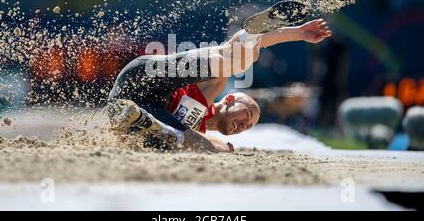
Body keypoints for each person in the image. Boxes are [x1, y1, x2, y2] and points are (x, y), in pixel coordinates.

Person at [108, 16, 331, 152]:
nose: (245, 124)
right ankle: (250, 36)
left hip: (132, 110)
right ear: (230, 100)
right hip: (143, 78)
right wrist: (299, 32)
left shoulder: (200, 131)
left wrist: (224, 148)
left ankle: (155, 127)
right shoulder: (211, 90)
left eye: (250, 126)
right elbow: (228, 52)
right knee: (235, 60)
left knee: (190, 142)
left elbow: (214, 145)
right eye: (247, 114)